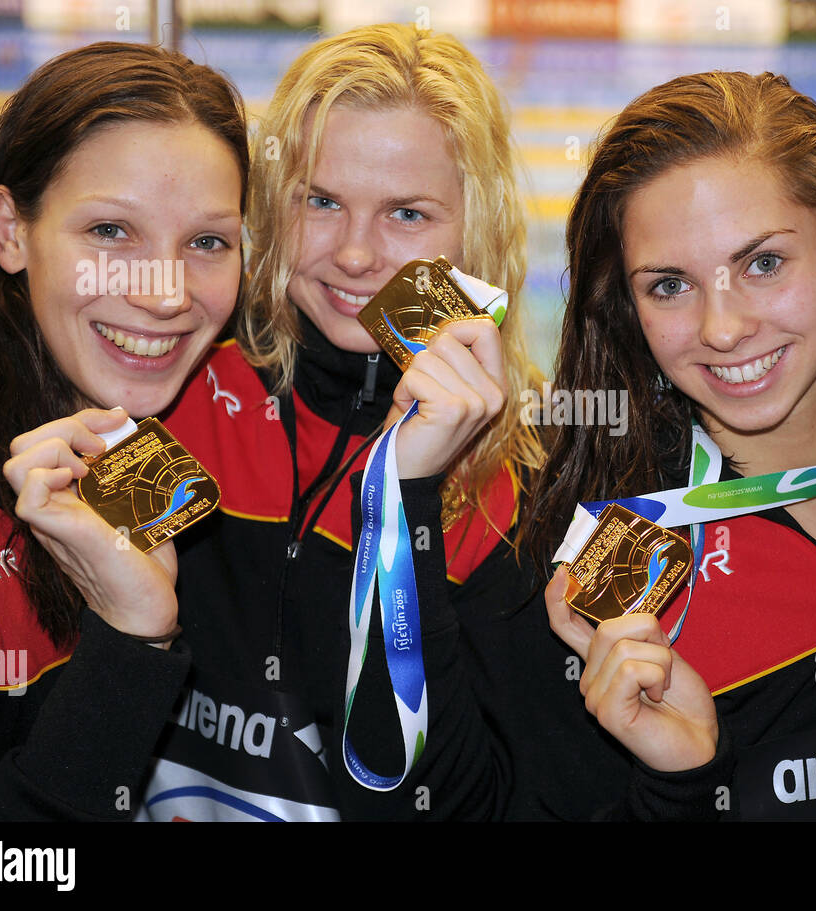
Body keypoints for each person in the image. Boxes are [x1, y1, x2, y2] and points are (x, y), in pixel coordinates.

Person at [519, 71, 816, 819]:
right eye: (668, 285)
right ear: (625, 302)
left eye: (763, 263)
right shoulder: (615, 553)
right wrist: (681, 782)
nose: (721, 328)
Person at [146, 24, 548, 821]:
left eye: (406, 213)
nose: (357, 255)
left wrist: (407, 498)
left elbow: (456, 806)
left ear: (478, 227)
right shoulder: (177, 386)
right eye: (321, 201)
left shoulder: (523, 487)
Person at [0, 42, 248, 819]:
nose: (165, 295)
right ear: (10, 231)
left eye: (207, 242)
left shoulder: (188, 439)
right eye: (110, 231)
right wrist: (133, 638)